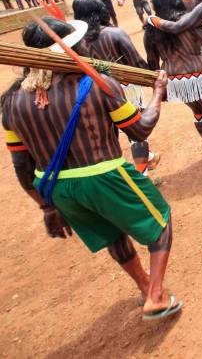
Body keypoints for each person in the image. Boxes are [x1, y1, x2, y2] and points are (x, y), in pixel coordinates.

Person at [1, 17, 181, 320]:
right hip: (103, 174)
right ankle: (155, 295)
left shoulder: (11, 102)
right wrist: (158, 92)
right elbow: (141, 129)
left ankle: (144, 286)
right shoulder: (97, 84)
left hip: (56, 187)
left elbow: (22, 166)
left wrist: (47, 207)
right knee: (160, 223)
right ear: (72, 49)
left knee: (113, 235)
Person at [72, 0, 160, 175]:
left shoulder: (74, 41)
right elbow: (136, 62)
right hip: (125, 88)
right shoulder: (115, 34)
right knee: (135, 129)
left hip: (91, 91)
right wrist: (153, 75)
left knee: (110, 130)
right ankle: (142, 174)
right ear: (100, 12)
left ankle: (147, 158)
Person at [144, 0, 202, 147]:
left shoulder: (151, 28)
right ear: (177, 1)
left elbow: (152, 61)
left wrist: (158, 88)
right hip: (199, 74)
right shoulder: (189, 21)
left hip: (175, 80)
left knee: (198, 112)